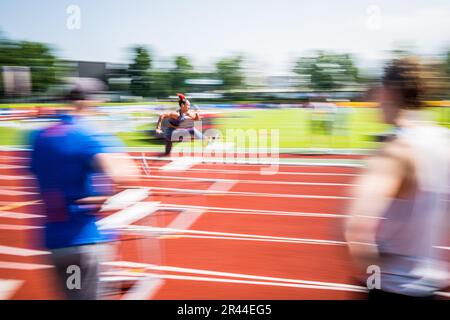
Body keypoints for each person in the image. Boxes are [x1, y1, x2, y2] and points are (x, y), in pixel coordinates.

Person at [345, 57, 449, 300]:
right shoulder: (445, 141)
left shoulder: (395, 150)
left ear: (387, 92)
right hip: (432, 284)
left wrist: (374, 275)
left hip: (392, 287)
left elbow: (355, 232)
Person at [29, 85, 139, 300]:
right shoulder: (88, 134)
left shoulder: (39, 137)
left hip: (54, 242)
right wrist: (103, 198)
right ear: (87, 102)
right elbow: (126, 175)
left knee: (74, 295)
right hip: (82, 241)